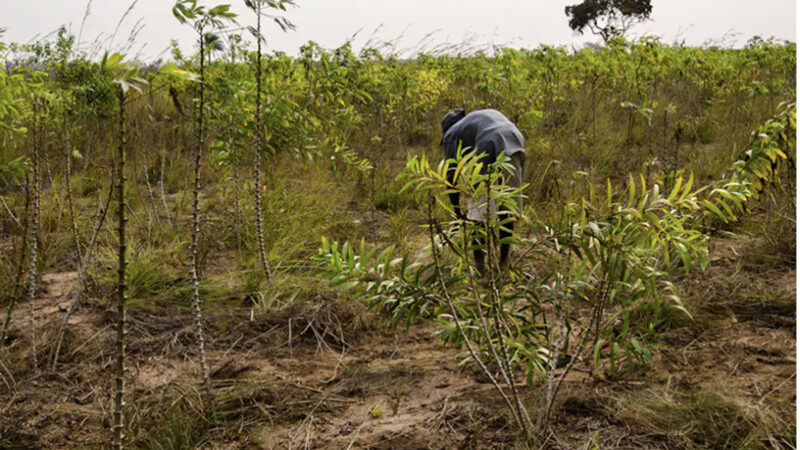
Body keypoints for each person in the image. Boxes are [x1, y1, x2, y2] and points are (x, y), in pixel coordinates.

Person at [440, 108, 526, 274]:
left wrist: (457, 213)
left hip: (489, 140)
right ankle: (503, 263)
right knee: (507, 204)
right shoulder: (475, 120)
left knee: (479, 208)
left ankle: (480, 269)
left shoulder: (451, 133)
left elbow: (451, 176)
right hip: (515, 137)